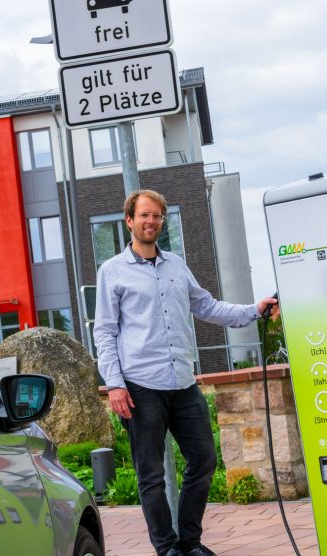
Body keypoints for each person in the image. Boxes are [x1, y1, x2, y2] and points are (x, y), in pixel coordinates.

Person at [94, 190, 277, 556]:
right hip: (140, 386)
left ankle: (189, 542)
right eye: (145, 215)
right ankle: (167, 549)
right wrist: (114, 383)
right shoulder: (112, 272)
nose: (151, 222)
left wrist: (254, 309)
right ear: (129, 220)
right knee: (151, 476)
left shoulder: (176, 265)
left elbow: (207, 306)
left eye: (158, 216)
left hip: (182, 381)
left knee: (204, 459)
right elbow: (105, 331)